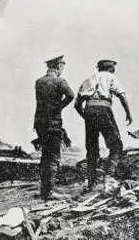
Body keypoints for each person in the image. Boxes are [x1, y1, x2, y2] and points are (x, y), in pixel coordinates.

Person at [74, 59, 133, 190]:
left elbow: (77, 104)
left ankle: (91, 183)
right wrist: (128, 113)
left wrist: (86, 116)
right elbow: (121, 96)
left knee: (91, 148)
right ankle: (109, 175)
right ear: (111, 69)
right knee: (116, 144)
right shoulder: (111, 77)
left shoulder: (88, 79)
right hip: (104, 110)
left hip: (89, 110)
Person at [34, 55, 75, 200]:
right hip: (53, 124)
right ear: (58, 66)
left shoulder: (39, 82)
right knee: (53, 158)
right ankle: (49, 193)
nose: (63, 69)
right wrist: (59, 108)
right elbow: (71, 95)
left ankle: (43, 191)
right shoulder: (60, 81)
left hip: (40, 124)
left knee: (45, 156)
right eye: (62, 66)